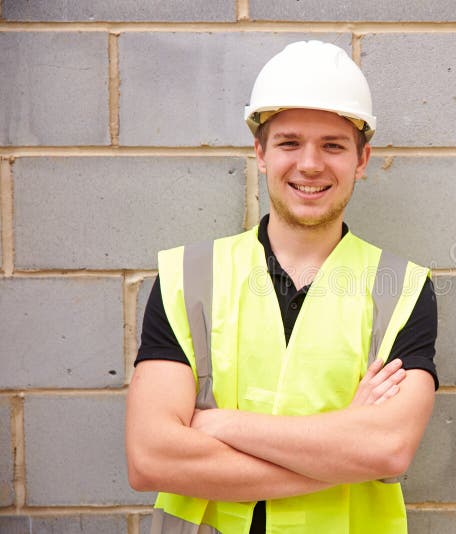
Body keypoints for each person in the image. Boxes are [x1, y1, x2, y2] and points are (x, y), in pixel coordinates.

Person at [125, 40, 438, 534]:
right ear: (261, 153)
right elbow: (150, 457)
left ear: (362, 159)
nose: (310, 164)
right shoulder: (188, 277)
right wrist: (340, 449)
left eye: (332, 145)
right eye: (289, 142)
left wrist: (222, 425)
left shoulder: (401, 289)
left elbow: (387, 449)